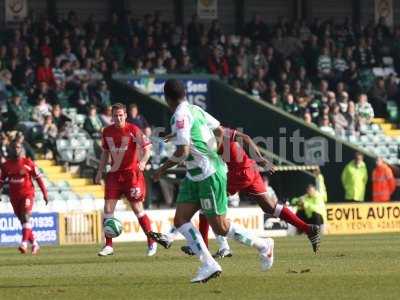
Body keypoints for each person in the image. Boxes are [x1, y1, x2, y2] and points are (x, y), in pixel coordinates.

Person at [151, 79, 274, 283]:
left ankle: (264, 245)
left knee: (221, 228)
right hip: (194, 176)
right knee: (181, 220)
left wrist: (160, 170)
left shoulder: (179, 116)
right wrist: (180, 138)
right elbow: (217, 130)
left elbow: (183, 152)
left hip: (209, 174)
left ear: (167, 98)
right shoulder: (195, 110)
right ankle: (208, 264)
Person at [176, 127, 321, 258]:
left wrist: (261, 159)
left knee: (207, 204)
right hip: (249, 168)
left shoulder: (212, 133)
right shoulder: (211, 131)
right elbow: (242, 139)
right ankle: (308, 228)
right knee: (270, 207)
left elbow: (245, 138)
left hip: (238, 173)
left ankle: (203, 247)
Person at [95, 103, 156, 257]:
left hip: (131, 175)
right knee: (108, 209)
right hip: (114, 175)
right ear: (112, 116)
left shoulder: (133, 130)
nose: (118, 118)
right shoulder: (107, 132)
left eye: (121, 115)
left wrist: (142, 162)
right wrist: (99, 171)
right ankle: (108, 245)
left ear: (125, 115)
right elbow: (104, 154)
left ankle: (151, 241)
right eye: (115, 115)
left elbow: (148, 148)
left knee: (137, 209)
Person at [0, 141, 48, 254]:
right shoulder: (6, 166)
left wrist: (45, 194)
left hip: (28, 194)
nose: (16, 149)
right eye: (14, 147)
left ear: (21, 149)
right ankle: (35, 243)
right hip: (14, 197)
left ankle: (24, 243)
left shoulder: (29, 163)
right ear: (10, 149)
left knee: (26, 216)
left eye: (18, 147)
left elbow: (39, 179)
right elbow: (1, 181)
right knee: (23, 221)